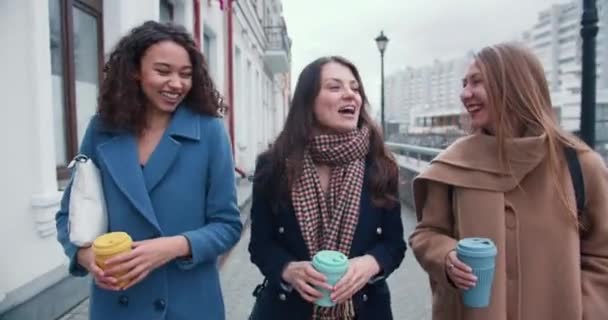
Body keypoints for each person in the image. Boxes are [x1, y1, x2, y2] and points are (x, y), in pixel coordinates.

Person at [55, 21, 242, 320]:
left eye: (185, 74)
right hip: (118, 303)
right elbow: (69, 214)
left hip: (190, 305)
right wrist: (85, 256)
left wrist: (172, 247)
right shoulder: (102, 130)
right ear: (134, 71)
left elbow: (228, 225)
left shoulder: (209, 132)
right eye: (163, 71)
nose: (177, 84)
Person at [409, 43, 608, 320]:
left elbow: (601, 255)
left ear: (515, 84)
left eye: (477, 82)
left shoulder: (581, 165)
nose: (465, 94)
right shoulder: (453, 164)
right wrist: (446, 256)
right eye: (464, 83)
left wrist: (583, 309)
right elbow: (426, 233)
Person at [248, 56, 406, 320]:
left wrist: (369, 264)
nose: (351, 95)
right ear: (308, 101)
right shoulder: (272, 165)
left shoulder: (381, 164)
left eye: (355, 88)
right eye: (335, 87)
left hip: (365, 310)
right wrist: (288, 269)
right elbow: (261, 245)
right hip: (287, 310)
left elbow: (394, 244)